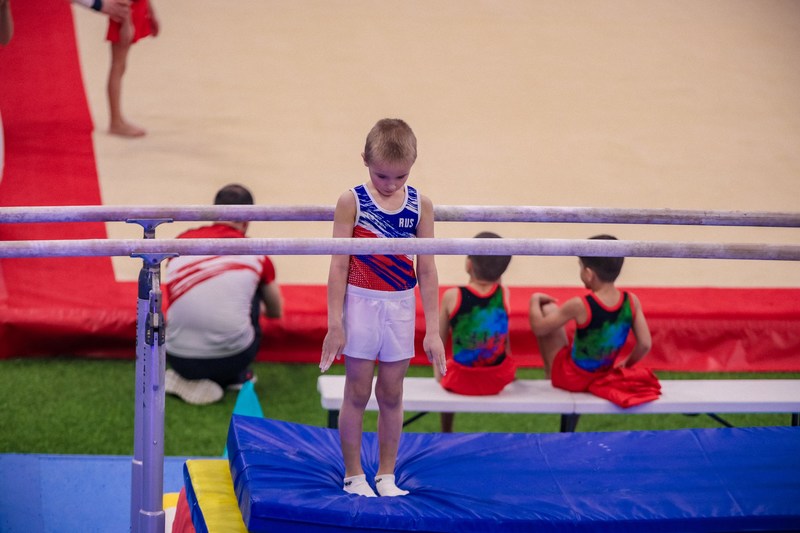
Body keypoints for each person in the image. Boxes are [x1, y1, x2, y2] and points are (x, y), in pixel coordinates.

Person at [319, 118, 446, 498]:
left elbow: (427, 268)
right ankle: (354, 475)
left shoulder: (420, 205)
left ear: (413, 164)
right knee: (357, 392)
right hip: (361, 304)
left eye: (400, 176)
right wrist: (335, 323)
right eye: (381, 176)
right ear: (364, 160)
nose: (390, 185)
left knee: (392, 393)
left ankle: (386, 475)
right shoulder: (352, 201)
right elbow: (338, 265)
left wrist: (434, 330)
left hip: (400, 306)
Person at [163, 184, 283, 405]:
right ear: (248, 220)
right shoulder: (256, 253)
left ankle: (185, 376)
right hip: (231, 359)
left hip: (175, 355)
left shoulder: (180, 242)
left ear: (213, 212)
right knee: (252, 293)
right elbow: (276, 312)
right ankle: (234, 377)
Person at [528, 234, 659, 408]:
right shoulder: (631, 301)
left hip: (572, 379)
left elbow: (539, 328)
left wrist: (534, 300)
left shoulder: (580, 305)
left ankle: (550, 373)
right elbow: (645, 344)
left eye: (581, 267)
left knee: (547, 309)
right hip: (602, 375)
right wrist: (627, 363)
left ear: (589, 274)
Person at [435, 231, 516, 432]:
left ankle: (446, 429)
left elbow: (438, 340)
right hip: (497, 379)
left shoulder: (452, 296)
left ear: (468, 264)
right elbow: (504, 339)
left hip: (460, 381)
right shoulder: (504, 294)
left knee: (450, 370)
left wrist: (438, 375)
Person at [105, 0, 158, 137]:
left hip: (134, 10)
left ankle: (117, 120)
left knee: (120, 66)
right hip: (125, 12)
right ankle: (115, 122)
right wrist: (126, 22)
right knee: (117, 66)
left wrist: (151, 12)